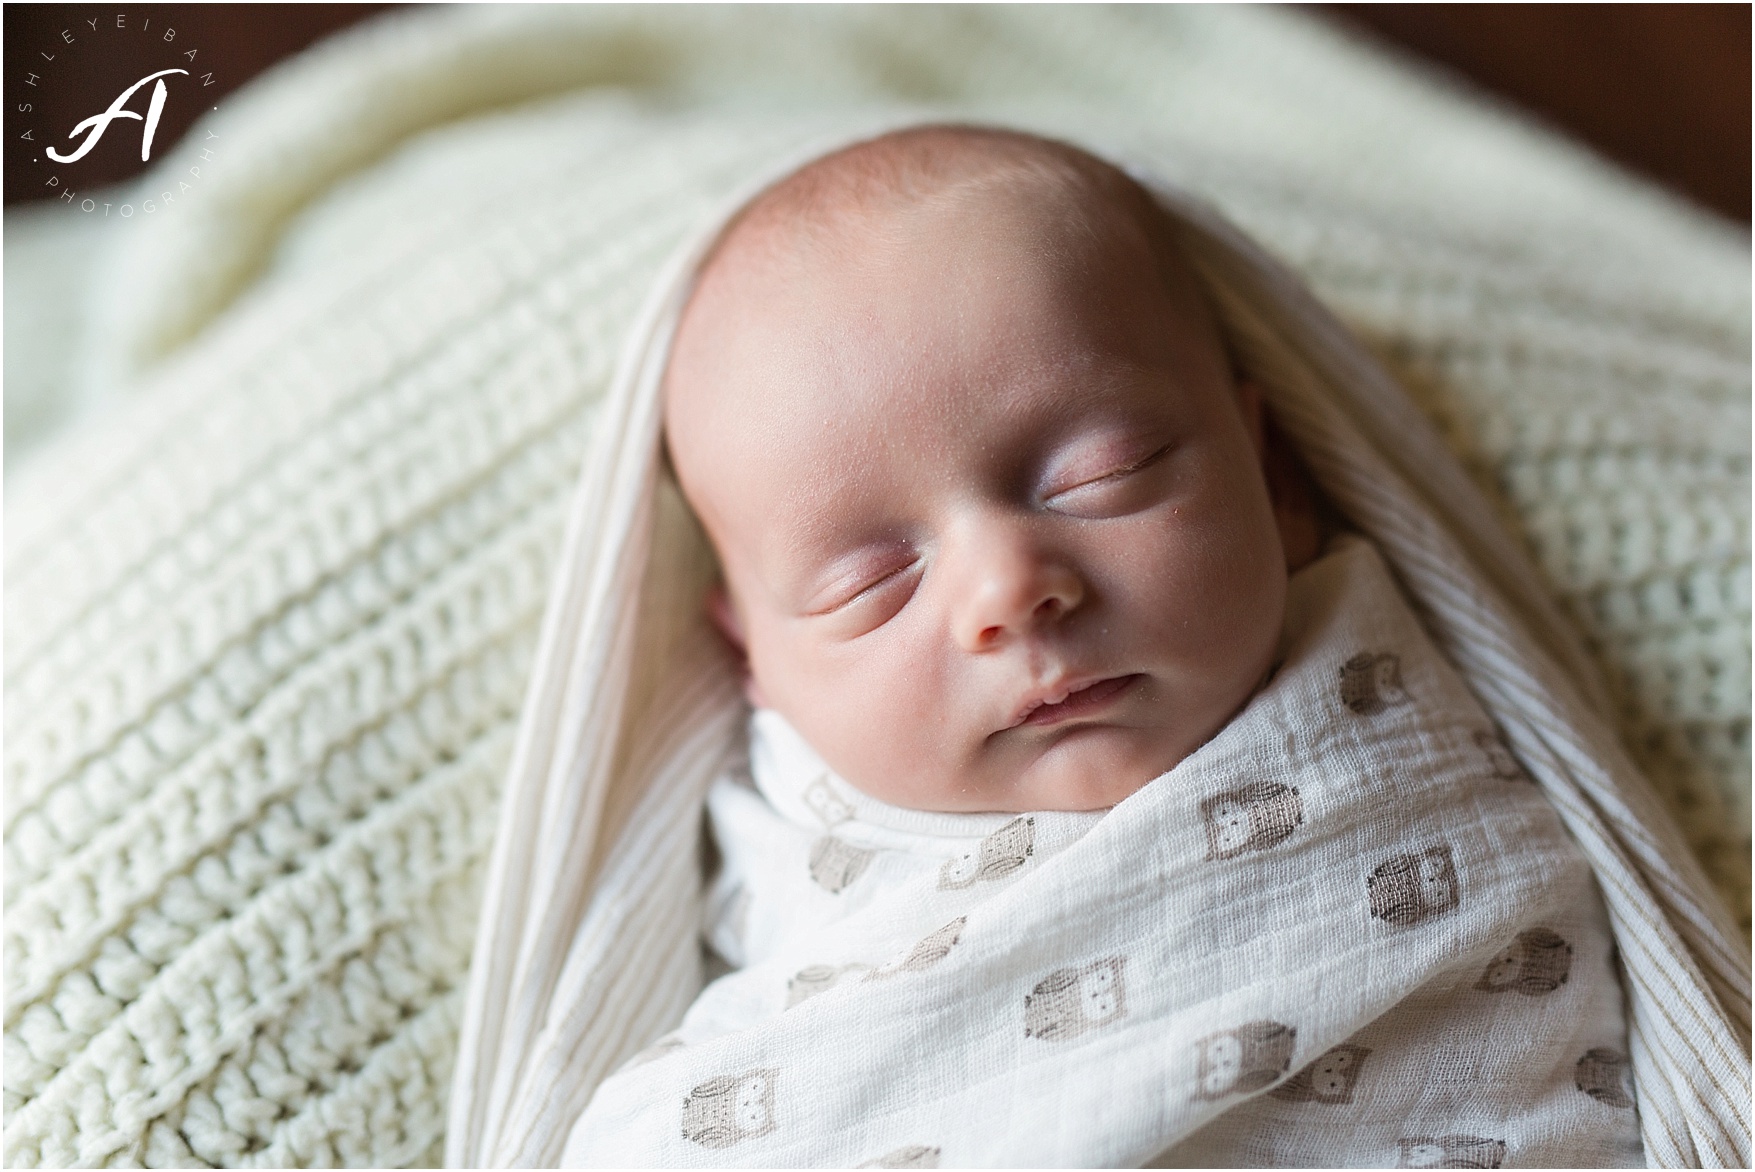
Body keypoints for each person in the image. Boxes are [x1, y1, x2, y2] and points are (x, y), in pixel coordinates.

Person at [561, 126, 1642, 1166]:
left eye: (1101, 475)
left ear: (1272, 479)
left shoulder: (1396, 724)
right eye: (869, 583)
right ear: (755, 662)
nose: (1010, 590)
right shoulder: (780, 842)